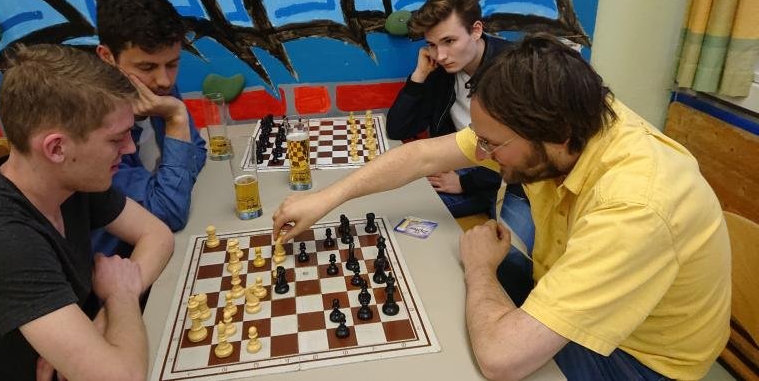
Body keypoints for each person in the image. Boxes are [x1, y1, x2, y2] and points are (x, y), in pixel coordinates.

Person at [273, 33, 731, 380]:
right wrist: (325, 198)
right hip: (577, 288)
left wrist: (480, 268)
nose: (482, 155)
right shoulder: (567, 119)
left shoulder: (634, 205)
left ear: (557, 136)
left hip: (639, 360)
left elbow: (501, 359)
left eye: (492, 145)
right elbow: (421, 156)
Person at [0, 44, 175, 381]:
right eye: (116, 139)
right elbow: (123, 377)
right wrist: (120, 295)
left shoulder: (68, 181)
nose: (130, 148)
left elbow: (157, 234)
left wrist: (105, 317)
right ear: (56, 148)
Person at [387, 0, 524, 222]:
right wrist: (419, 76)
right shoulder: (442, 70)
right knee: (394, 205)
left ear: (476, 30)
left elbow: (522, 152)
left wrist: (465, 182)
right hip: (463, 166)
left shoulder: (514, 69)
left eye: (449, 41)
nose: (440, 55)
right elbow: (397, 129)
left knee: (515, 246)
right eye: (432, 44)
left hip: (511, 180)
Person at [93, 0, 207, 256]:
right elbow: (168, 213)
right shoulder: (93, 122)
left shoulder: (156, 89)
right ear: (107, 57)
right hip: (118, 260)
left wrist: (169, 184)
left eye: (172, 64)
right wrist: (176, 119)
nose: (164, 80)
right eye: (147, 67)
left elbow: (198, 152)